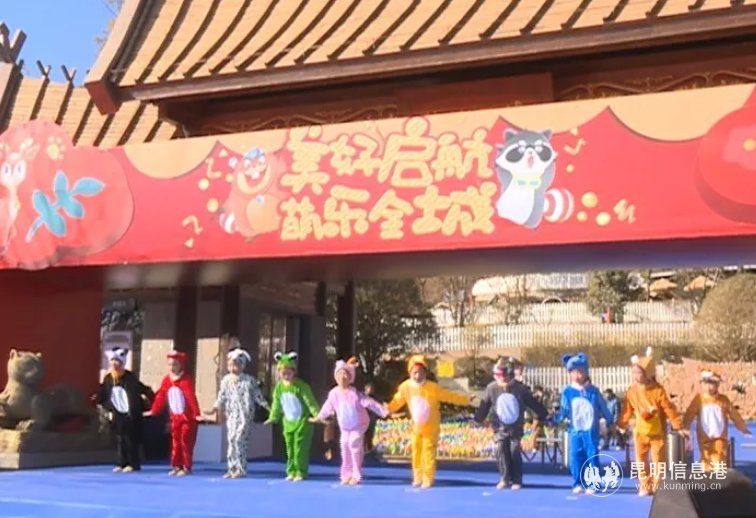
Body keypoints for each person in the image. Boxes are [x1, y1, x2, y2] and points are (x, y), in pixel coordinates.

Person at [386, 354, 472, 489]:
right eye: (414, 373)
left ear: (425, 373)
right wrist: (387, 409)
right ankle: (417, 477)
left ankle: (428, 478)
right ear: (410, 373)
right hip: (416, 427)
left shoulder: (433, 388)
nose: (417, 376)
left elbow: (449, 396)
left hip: (431, 427)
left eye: (420, 372)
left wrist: (466, 400)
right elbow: (397, 401)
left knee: (428, 452)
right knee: (416, 452)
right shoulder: (406, 387)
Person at [617, 347, 685, 497]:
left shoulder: (658, 391)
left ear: (647, 373)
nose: (636, 376)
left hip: (657, 432)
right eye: (634, 372)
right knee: (641, 460)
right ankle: (645, 485)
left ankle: (657, 485)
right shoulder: (632, 391)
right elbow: (627, 409)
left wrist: (677, 425)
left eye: (639, 372)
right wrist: (622, 424)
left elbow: (668, 408)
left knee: (658, 461)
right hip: (640, 432)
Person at [474, 357, 547, 490]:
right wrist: (478, 419)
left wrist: (542, 414)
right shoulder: (491, 388)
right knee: (501, 450)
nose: (502, 378)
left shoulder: (520, 389)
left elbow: (532, 404)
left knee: (514, 451)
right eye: (499, 375)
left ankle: (516, 479)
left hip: (515, 428)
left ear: (510, 375)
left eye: (505, 375)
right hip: (499, 427)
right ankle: (504, 477)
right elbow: (485, 405)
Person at [311, 358, 387, 485]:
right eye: (340, 374)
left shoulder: (355, 393)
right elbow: (327, 406)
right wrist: (319, 416)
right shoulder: (334, 393)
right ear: (336, 376)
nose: (342, 377)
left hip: (358, 424)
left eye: (345, 374)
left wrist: (384, 411)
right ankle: (346, 474)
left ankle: (356, 474)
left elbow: (370, 403)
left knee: (354, 444)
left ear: (350, 377)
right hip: (345, 427)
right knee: (344, 446)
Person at [210, 342, 270, 478]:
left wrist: (268, 408)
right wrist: (215, 408)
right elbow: (222, 396)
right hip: (232, 415)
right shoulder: (226, 380)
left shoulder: (249, 380)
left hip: (245, 416)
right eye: (230, 365)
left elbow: (258, 396)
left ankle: (241, 468)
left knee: (239, 440)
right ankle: (232, 468)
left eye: (236, 365)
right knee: (231, 440)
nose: (233, 368)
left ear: (242, 366)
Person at [557, 353, 614, 494]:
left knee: (592, 455)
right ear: (570, 374)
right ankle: (578, 482)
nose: (578, 375)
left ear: (586, 373)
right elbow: (564, 409)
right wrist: (559, 420)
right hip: (575, 430)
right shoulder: (568, 391)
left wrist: (609, 419)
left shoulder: (593, 391)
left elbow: (603, 407)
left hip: (591, 431)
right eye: (574, 372)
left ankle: (593, 483)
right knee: (575, 456)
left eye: (580, 372)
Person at [683, 368, 753, 472]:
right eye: (705, 383)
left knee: (719, 457)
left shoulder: (723, 400)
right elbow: (689, 414)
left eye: (711, 383)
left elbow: (734, 414)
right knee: (706, 457)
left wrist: (743, 428)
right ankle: (706, 477)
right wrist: (685, 427)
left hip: (720, 437)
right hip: (704, 437)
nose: (708, 387)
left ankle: (719, 477)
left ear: (717, 384)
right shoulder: (698, 399)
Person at [264, 351, 320, 481]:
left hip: (302, 424)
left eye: (288, 372)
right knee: (290, 449)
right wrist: (273, 417)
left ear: (294, 371)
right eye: (283, 372)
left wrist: (318, 415)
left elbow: (310, 402)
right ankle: (291, 471)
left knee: (300, 449)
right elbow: (276, 404)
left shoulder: (301, 386)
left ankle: (301, 471)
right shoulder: (279, 388)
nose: (286, 375)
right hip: (288, 424)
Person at [94, 347, 150, 473]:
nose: (114, 363)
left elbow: (136, 394)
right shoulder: (109, 378)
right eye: (112, 360)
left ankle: (133, 463)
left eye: (117, 361)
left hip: (131, 414)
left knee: (131, 439)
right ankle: (121, 462)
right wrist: (100, 401)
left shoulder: (129, 377)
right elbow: (104, 394)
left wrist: (137, 408)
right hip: (117, 412)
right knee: (120, 439)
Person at [147, 350, 202, 476]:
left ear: (181, 365)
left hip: (187, 418)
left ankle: (186, 466)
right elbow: (161, 396)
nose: (172, 367)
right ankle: (176, 465)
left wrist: (196, 413)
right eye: (170, 365)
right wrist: (154, 410)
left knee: (185, 441)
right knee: (175, 441)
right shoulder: (167, 380)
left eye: (175, 364)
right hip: (175, 417)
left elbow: (191, 397)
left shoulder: (185, 380)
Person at [363, 382, 379, 454]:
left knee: (370, 434)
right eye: (370, 388)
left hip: (371, 419)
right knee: (363, 434)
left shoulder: (374, 398)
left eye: (372, 389)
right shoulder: (363, 397)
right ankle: (363, 448)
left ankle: (369, 448)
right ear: (366, 389)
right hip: (363, 419)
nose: (371, 390)